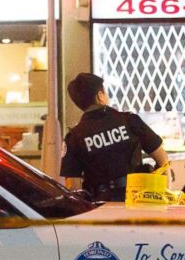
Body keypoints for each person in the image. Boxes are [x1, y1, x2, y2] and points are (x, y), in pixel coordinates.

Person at [60, 73, 169, 201]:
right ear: (100, 96)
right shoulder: (129, 120)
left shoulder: (73, 137)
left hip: (100, 205)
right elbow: (163, 160)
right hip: (136, 198)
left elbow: (73, 187)